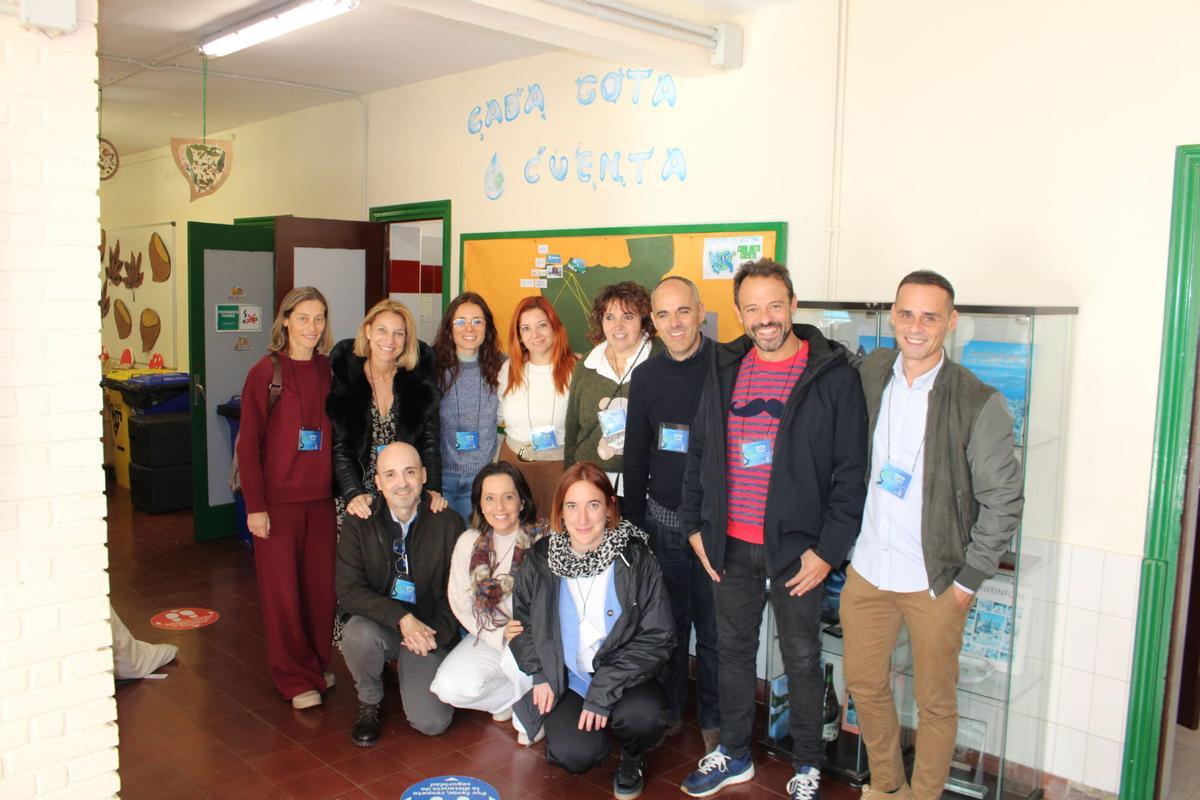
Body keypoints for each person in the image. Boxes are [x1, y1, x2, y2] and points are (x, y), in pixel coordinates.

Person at [678, 259, 868, 800]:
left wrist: (828, 552)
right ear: (739, 313)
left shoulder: (833, 375)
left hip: (798, 551)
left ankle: (807, 764)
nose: (765, 318)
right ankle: (735, 753)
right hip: (730, 544)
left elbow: (852, 474)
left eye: (775, 305)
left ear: (793, 305)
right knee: (733, 652)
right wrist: (695, 526)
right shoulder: (723, 368)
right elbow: (699, 450)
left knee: (802, 657)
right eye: (753, 308)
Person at [842, 271, 1024, 800]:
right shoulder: (873, 372)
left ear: (952, 321)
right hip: (869, 570)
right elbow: (828, 356)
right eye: (906, 314)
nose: (915, 327)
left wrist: (969, 580)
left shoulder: (977, 400)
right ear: (893, 315)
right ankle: (886, 787)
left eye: (930, 316)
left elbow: (1004, 500)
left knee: (936, 704)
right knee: (864, 685)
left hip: (936, 580)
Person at [510, 463, 673, 800]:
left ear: (610, 507)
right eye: (572, 506)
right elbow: (522, 620)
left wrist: (603, 689)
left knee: (646, 716)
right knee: (573, 755)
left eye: (593, 505)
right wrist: (540, 672)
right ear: (560, 512)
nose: (582, 518)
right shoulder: (540, 559)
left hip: (625, 675)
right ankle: (591, 729)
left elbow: (658, 636)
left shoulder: (636, 559)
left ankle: (632, 756)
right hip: (570, 678)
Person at [624, 276, 720, 753]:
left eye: (683, 311)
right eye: (663, 314)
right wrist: (634, 528)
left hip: (716, 528)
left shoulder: (727, 366)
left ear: (701, 312)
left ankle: (715, 719)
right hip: (663, 525)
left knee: (716, 631)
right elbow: (635, 456)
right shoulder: (646, 376)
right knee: (669, 628)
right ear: (653, 323)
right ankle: (672, 711)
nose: (675, 322)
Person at [236, 286, 338, 710]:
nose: (312, 327)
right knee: (283, 596)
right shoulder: (265, 372)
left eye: (319, 318)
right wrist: (255, 508)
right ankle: (294, 678)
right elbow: (248, 445)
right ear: (286, 321)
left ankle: (315, 664)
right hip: (277, 505)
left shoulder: (328, 370)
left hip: (321, 502)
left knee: (320, 592)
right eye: (303, 318)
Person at [336, 442, 463, 746]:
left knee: (431, 723)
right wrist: (403, 620)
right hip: (386, 625)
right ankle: (369, 700)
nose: (402, 483)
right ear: (378, 483)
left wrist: (430, 635)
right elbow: (349, 590)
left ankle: (414, 666)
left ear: (424, 475)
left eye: (409, 472)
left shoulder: (449, 522)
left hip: (430, 631)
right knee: (356, 633)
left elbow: (458, 593)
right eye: (390, 475)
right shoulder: (359, 521)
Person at [429, 462, 543, 728]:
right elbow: (460, 603)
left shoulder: (542, 540)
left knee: (525, 731)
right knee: (448, 686)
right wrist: (499, 634)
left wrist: (525, 633)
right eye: (489, 498)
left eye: (508, 497)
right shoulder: (468, 542)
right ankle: (511, 701)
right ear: (479, 505)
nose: (499, 507)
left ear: (522, 502)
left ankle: (536, 706)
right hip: (491, 635)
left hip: (536, 642)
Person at [327, 299, 443, 530]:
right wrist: (353, 494)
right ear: (368, 331)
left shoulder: (417, 383)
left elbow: (429, 443)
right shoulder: (348, 378)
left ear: (407, 339)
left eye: (399, 333)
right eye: (382, 330)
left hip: (404, 495)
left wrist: (432, 489)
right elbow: (341, 447)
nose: (390, 341)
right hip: (359, 497)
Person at [563, 282, 662, 500]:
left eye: (628, 316)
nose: (618, 326)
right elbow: (572, 430)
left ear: (644, 320)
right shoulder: (586, 366)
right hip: (593, 483)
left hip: (648, 484)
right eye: (609, 317)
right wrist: (569, 480)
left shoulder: (662, 360)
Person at [498, 296, 577, 519]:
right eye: (526, 328)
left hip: (558, 469)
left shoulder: (575, 369)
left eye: (542, 325)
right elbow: (497, 414)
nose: (535, 335)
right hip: (513, 468)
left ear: (555, 327)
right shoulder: (509, 369)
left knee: (556, 532)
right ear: (519, 335)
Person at [431, 292, 504, 520]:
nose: (469, 329)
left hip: (482, 478)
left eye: (477, 321)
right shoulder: (432, 366)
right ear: (449, 327)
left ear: (487, 327)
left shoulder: (502, 367)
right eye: (460, 322)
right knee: (444, 540)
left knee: (474, 540)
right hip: (440, 478)